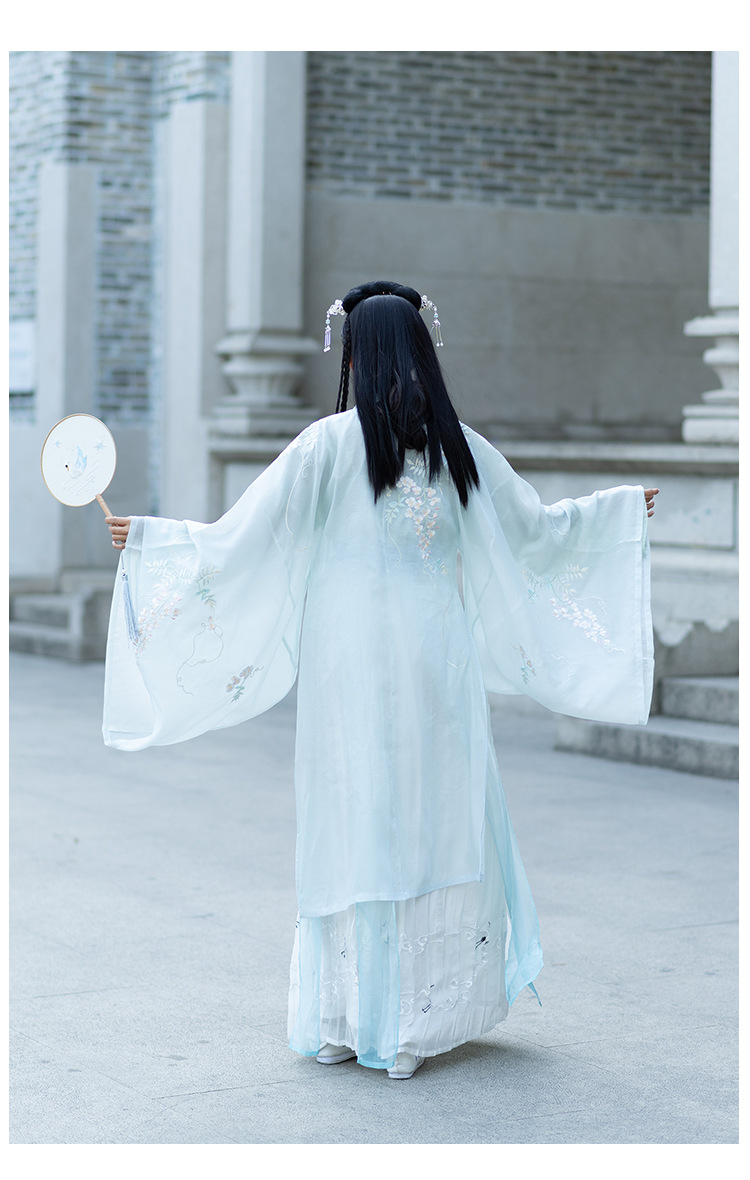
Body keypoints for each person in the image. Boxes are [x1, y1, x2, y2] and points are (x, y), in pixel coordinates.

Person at [104, 280, 658, 1080]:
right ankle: (406, 1027)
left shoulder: (326, 446)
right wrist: (618, 513)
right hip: (436, 669)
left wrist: (154, 541)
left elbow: (241, 539)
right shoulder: (458, 449)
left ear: (357, 356)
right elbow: (538, 532)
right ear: (422, 352)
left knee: (352, 818)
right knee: (429, 819)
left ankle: (344, 1018)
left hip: (350, 672)